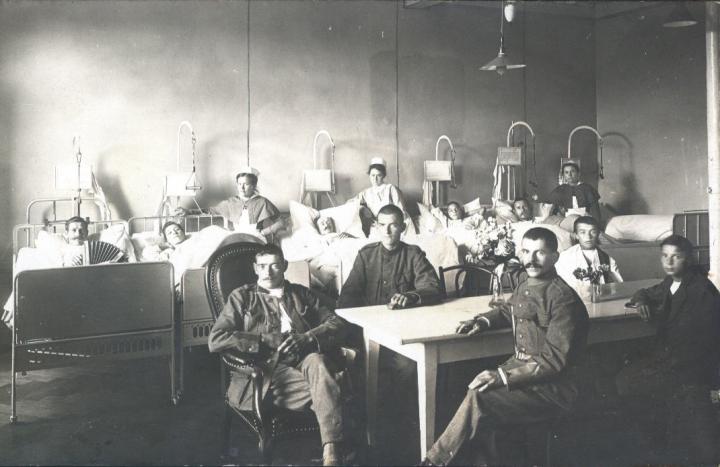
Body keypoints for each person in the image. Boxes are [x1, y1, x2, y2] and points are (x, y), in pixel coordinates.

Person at [423, 227, 589, 466]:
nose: (530, 259)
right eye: (526, 251)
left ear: (555, 257)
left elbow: (553, 362)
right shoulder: (525, 283)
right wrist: (482, 320)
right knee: (475, 393)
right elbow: (509, 309)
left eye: (540, 253)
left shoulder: (562, 298)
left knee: (479, 399)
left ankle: (433, 462)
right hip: (523, 373)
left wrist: (501, 376)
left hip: (552, 387)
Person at [208, 244, 350, 466]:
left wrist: (309, 337)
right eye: (263, 266)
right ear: (255, 268)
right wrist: (263, 340)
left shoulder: (301, 293)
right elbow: (217, 338)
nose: (268, 272)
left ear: (284, 266)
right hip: (265, 372)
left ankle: (330, 453)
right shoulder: (242, 297)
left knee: (318, 361)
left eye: (274, 265)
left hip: (304, 361)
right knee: (334, 385)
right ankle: (335, 446)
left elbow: (337, 322)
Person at [617, 235, 720, 463]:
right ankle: (658, 443)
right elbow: (645, 291)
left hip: (692, 366)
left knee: (627, 382)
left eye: (676, 256)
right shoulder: (670, 282)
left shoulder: (701, 289)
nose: (669, 262)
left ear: (689, 259)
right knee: (627, 380)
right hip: (672, 358)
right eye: (665, 256)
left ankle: (658, 447)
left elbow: (706, 340)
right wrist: (642, 301)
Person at [337, 204, 441, 310]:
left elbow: (432, 287)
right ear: (377, 226)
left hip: (402, 318)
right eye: (382, 225)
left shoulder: (413, 254)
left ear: (403, 227)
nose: (387, 231)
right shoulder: (365, 255)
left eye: (393, 225)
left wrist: (411, 296)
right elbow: (349, 293)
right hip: (369, 319)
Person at [176, 166, 283, 241]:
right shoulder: (231, 202)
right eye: (239, 184)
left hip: (256, 237)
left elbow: (281, 222)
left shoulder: (262, 202)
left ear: (254, 186)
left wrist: (264, 232)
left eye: (245, 184)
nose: (241, 187)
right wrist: (188, 211)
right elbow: (209, 211)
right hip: (236, 236)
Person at [555, 216, 623, 297]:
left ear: (598, 234)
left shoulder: (607, 258)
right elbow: (560, 287)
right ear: (576, 235)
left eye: (593, 232)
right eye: (583, 232)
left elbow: (618, 286)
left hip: (600, 300)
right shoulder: (565, 258)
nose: (588, 237)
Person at [353, 157, 408, 236]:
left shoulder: (390, 188)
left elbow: (401, 210)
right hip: (377, 226)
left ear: (383, 176)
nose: (375, 179)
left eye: (378, 175)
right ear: (369, 176)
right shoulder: (365, 193)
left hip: (393, 223)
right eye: (372, 175)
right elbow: (352, 204)